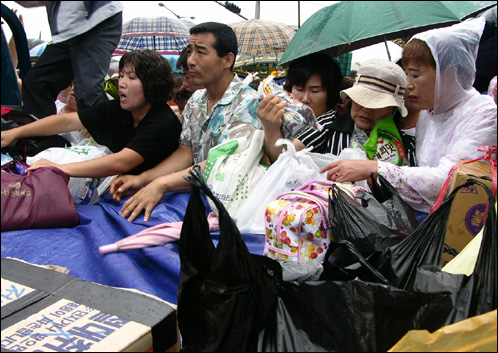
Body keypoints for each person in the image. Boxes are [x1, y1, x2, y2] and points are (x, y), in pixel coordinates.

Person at [321, 17, 497, 213]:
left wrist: (375, 169)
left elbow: (451, 180)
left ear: (448, 74)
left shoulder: (484, 114)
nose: (409, 84)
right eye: (407, 74)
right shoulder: (429, 114)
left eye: (415, 75)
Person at [109, 22, 262, 223]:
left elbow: (222, 166)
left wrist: (162, 184)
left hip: (228, 205)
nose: (190, 60)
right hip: (195, 195)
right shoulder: (196, 101)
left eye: (201, 52)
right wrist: (143, 179)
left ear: (227, 60)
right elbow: (185, 153)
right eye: (190, 52)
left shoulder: (248, 102)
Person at [1, 50, 182, 177]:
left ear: (153, 84)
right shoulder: (120, 109)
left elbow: (122, 161)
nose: (121, 83)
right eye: (122, 76)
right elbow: (66, 122)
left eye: (131, 78)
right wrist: (14, 133)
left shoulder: (163, 121)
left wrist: (60, 167)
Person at [16, 1, 123, 119]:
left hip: (97, 19)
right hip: (68, 30)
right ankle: (42, 135)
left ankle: (119, 135)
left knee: (88, 93)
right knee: (37, 84)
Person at [258, 53, 345, 163]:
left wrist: (271, 128)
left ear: (330, 93)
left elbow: (282, 158)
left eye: (315, 91)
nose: (305, 98)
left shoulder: (327, 123)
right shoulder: (284, 117)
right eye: (299, 89)